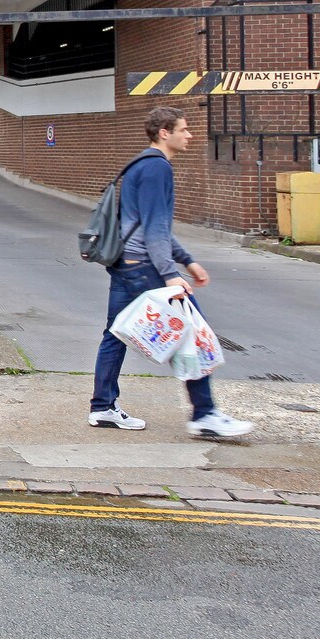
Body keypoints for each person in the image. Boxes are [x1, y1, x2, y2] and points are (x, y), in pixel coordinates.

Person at [89, 106, 254, 440]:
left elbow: (154, 225)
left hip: (127, 263)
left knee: (115, 333)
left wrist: (187, 260)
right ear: (164, 133)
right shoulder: (156, 168)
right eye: (183, 129)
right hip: (144, 267)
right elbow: (154, 228)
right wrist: (170, 272)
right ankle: (205, 414)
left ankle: (103, 407)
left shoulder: (143, 165)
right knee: (192, 331)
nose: (189, 135)